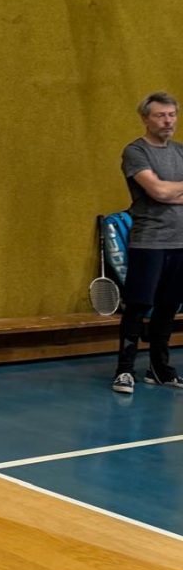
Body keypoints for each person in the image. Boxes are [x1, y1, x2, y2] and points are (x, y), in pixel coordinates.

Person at [112, 92, 183, 393]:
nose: (167, 121)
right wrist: (166, 192)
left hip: (180, 243)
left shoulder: (180, 151)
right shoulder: (135, 152)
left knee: (169, 307)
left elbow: (166, 192)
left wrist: (168, 191)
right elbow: (158, 192)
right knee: (139, 305)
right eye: (160, 115)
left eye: (172, 115)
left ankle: (159, 369)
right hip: (150, 242)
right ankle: (124, 371)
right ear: (145, 119)